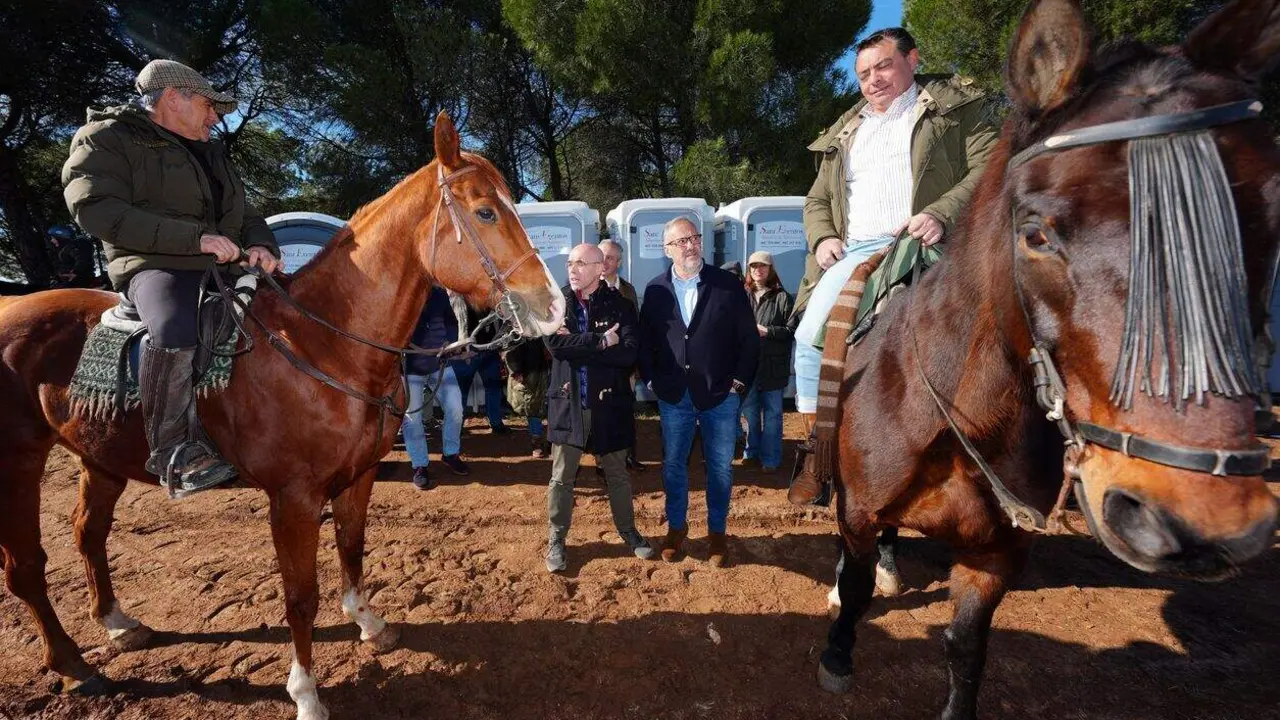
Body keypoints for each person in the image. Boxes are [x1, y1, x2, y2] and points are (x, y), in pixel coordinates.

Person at [788, 27, 997, 504]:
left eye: (882, 66)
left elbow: (989, 167)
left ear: (912, 59)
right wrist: (823, 239)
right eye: (863, 73)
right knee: (805, 342)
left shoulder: (954, 110)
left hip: (935, 241)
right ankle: (815, 454)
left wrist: (940, 212)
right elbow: (817, 200)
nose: (873, 79)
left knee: (1002, 332)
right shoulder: (845, 133)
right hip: (859, 251)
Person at [61, 59, 281, 497]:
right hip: (153, 263)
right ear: (173, 97)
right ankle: (174, 450)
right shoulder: (106, 138)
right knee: (174, 326)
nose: (216, 116)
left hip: (221, 263)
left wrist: (262, 244)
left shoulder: (211, 153)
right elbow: (95, 208)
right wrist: (195, 239)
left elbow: (246, 212)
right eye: (209, 105)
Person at [638, 217, 759, 568]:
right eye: (682, 241)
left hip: (720, 396)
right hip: (674, 397)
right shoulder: (656, 290)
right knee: (674, 465)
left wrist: (738, 385)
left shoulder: (727, 284)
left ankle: (717, 533)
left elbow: (749, 340)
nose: (690, 245)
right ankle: (676, 529)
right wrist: (651, 381)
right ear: (667, 250)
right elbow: (646, 343)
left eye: (694, 238)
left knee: (720, 468)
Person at [543, 244, 656, 572]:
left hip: (610, 404)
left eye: (580, 263)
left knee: (617, 474)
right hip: (569, 403)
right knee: (562, 477)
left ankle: (629, 532)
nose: (572, 269)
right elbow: (555, 347)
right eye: (569, 263)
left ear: (600, 268)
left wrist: (578, 344)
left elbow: (629, 353)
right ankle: (556, 538)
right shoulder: (557, 303)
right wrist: (602, 340)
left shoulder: (621, 304)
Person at [403, 286, 471, 489]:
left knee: (456, 409)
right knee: (412, 418)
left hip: (440, 363)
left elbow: (451, 321)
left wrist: (449, 342)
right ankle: (420, 465)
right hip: (410, 368)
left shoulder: (439, 293)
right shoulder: (402, 290)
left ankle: (450, 454)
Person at [740, 251, 794, 473]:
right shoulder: (743, 296)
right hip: (748, 365)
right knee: (750, 412)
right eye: (753, 267)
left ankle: (771, 459)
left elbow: (791, 331)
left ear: (771, 269)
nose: (757, 270)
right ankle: (751, 452)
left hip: (773, 367)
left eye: (762, 266)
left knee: (772, 414)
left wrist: (768, 331)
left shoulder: (783, 297)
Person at [598, 238, 645, 472]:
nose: (604, 262)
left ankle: (629, 456)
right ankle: (601, 463)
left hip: (625, 363)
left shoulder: (628, 289)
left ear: (619, 262)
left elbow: (634, 327)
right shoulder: (587, 287)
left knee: (626, 410)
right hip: (599, 362)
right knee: (601, 413)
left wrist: (634, 362)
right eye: (601, 256)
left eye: (609, 258)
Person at [456, 305, 512, 434]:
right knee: (462, 391)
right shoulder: (463, 299)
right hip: (469, 352)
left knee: (493, 388)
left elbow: (501, 324)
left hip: (490, 351)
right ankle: (457, 425)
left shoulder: (493, 303)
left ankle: (496, 423)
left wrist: (500, 348)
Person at [503, 339, 551, 458]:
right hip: (530, 372)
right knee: (532, 407)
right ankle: (537, 442)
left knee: (554, 407)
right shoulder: (519, 322)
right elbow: (510, 343)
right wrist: (515, 370)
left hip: (551, 369)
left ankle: (552, 441)